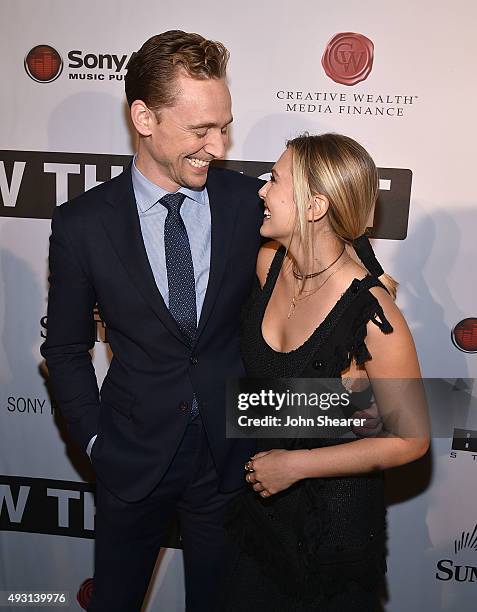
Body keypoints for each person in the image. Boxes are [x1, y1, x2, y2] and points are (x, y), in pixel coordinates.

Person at [40, 30, 265, 612]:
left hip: (229, 459)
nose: (217, 146)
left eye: (223, 126)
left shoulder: (249, 204)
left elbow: (324, 261)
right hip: (131, 456)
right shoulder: (82, 224)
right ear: (144, 117)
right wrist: (94, 439)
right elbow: (64, 348)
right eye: (200, 130)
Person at [223, 134, 430, 611]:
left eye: (274, 179)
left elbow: (412, 439)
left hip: (332, 524)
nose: (261, 190)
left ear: (314, 204)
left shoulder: (373, 314)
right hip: (261, 512)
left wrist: (294, 465)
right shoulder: (269, 265)